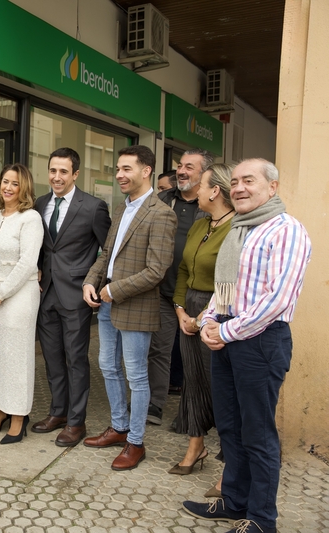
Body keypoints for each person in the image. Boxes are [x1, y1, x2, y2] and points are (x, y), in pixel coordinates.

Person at [183, 159, 311, 533]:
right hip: (228, 336)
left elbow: (276, 300)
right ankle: (234, 502)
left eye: (248, 181)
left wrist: (225, 331)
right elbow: (226, 290)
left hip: (260, 343)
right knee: (230, 428)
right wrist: (209, 321)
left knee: (257, 434)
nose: (238, 187)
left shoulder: (287, 230)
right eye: (235, 181)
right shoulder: (241, 229)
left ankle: (261, 518)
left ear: (272, 187)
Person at [82, 145, 176, 470]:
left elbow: (156, 270)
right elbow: (106, 254)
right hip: (108, 304)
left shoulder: (162, 213)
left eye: (126, 169)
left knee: (136, 375)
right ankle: (119, 427)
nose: (119, 175)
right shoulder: (121, 208)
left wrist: (113, 290)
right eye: (118, 169)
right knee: (108, 366)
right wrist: (90, 281)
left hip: (135, 306)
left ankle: (135, 442)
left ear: (146, 170)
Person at [33, 148, 110, 447]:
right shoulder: (40, 204)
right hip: (46, 294)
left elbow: (108, 251)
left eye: (63, 171)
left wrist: (94, 284)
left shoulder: (93, 207)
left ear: (75, 174)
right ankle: (58, 412)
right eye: (53, 170)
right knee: (52, 359)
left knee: (76, 359)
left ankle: (77, 422)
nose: (57, 177)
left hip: (76, 295)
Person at [169, 163, 235, 474]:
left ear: (215, 191)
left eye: (202, 185)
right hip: (190, 308)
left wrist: (200, 319)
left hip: (219, 312)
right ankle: (196, 446)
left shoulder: (236, 230)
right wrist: (181, 310)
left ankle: (231, 460)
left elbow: (231, 284)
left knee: (218, 384)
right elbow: (183, 269)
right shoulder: (200, 224)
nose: (196, 191)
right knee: (193, 381)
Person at [0, 164, 43, 444]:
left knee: (17, 359)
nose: (8, 187)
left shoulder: (31, 218)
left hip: (19, 296)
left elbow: (28, 262)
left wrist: (1, 292)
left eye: (15, 183)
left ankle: (18, 417)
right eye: (5, 181)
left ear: (24, 188)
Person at [147, 149, 212, 425]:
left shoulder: (210, 205)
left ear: (204, 174)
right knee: (159, 350)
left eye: (189, 167)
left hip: (198, 295)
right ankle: (154, 404)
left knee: (198, 357)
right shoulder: (162, 199)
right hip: (164, 291)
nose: (181, 171)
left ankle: (198, 415)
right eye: (180, 166)